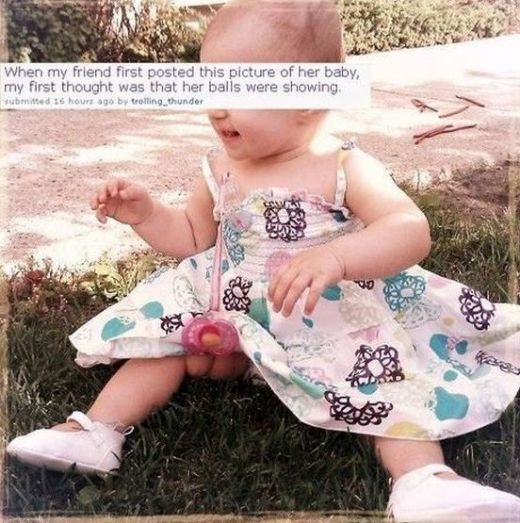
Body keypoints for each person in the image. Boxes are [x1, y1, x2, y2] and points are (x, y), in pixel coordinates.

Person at [7, 1, 520, 521]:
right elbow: (193, 237)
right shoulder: (218, 168)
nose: (217, 108)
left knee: (381, 370)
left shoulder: (343, 165)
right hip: (232, 317)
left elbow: (408, 228)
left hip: (325, 320)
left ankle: (423, 480)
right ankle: (96, 431)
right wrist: (147, 215)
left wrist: (337, 257)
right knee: (162, 343)